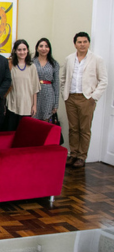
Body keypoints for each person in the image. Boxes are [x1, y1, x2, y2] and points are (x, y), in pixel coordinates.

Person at [61, 32, 108, 168]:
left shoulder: (97, 59)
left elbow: (103, 80)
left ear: (88, 43)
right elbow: (63, 78)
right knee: (73, 128)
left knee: (84, 129)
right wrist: (65, 94)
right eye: (79, 42)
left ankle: (82, 156)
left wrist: (93, 97)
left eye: (85, 42)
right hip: (71, 97)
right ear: (75, 44)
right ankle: (73, 154)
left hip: (86, 98)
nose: (82, 44)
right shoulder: (69, 59)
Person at [5, 39, 40, 131]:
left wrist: (34, 105)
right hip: (12, 105)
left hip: (27, 105)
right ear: (15, 51)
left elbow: (35, 88)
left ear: (27, 50)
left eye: (24, 49)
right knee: (11, 131)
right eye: (19, 50)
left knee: (24, 133)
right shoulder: (10, 65)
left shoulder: (32, 66)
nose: (22, 52)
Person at [33, 38, 60, 121]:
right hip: (34, 94)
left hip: (48, 94)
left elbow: (56, 84)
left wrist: (56, 104)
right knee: (34, 120)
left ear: (49, 49)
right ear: (37, 48)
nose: (44, 49)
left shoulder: (54, 63)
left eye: (46, 46)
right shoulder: (31, 62)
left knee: (46, 121)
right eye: (41, 46)